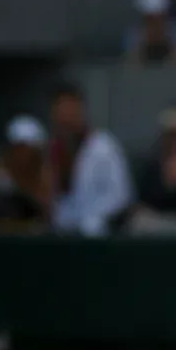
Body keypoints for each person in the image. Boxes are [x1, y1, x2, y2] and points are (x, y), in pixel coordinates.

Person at [48, 84, 133, 237]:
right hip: (61, 234)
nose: (65, 117)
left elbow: (121, 195)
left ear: (80, 110)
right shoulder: (53, 150)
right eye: (60, 111)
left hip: (98, 236)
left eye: (70, 110)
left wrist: (93, 219)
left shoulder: (104, 147)